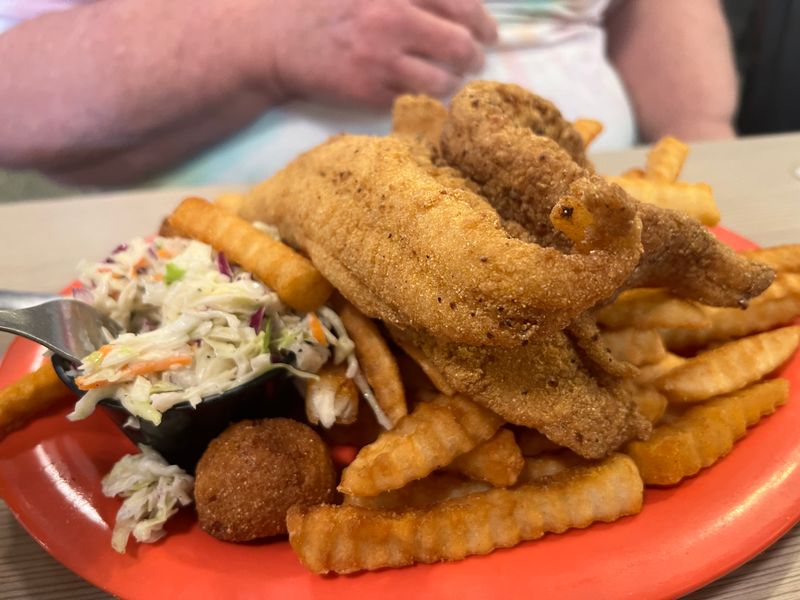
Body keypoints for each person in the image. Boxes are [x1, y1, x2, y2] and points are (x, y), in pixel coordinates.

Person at [0, 0, 738, 187]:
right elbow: (14, 96)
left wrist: (709, 144)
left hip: (604, 228)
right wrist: (266, 35)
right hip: (216, 295)